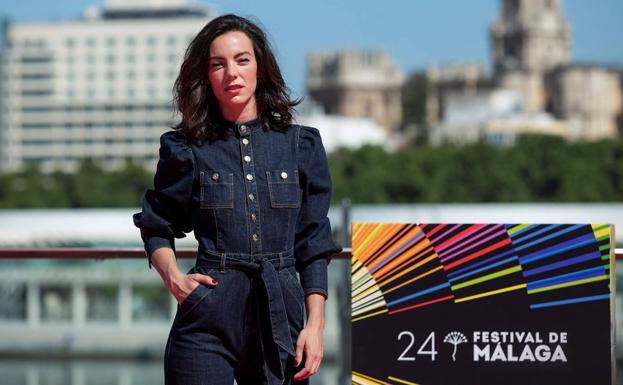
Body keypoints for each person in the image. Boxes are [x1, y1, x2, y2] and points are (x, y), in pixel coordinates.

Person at [132, 14, 341, 385]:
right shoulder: (186, 149)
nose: (232, 73)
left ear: (261, 67)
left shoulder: (300, 145)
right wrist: (175, 279)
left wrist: (315, 325)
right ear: (206, 76)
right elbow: (156, 225)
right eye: (218, 64)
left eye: (242, 60)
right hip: (206, 321)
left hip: (282, 321)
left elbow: (312, 241)